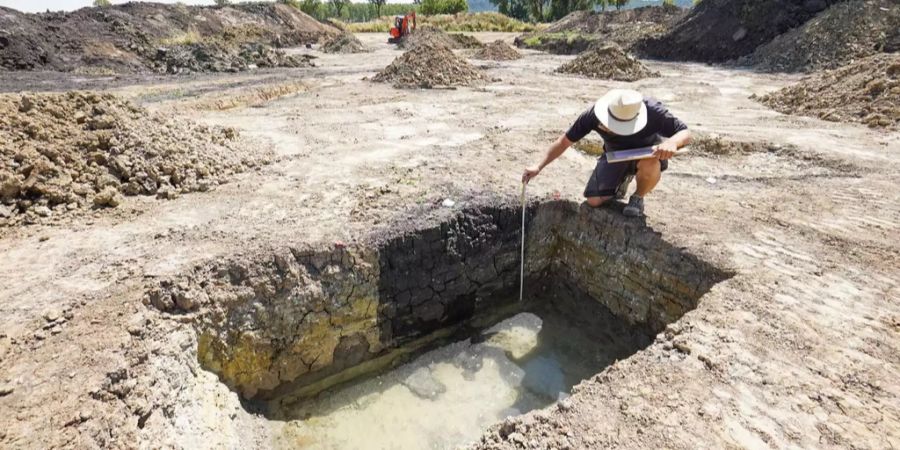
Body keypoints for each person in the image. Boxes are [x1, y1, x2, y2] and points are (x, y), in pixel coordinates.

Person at [522, 88, 691, 217]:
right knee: (594, 200)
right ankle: (621, 182)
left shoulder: (653, 111)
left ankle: (638, 197)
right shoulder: (593, 115)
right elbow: (564, 141)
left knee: (650, 164)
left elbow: (685, 131)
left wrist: (672, 142)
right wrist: (538, 166)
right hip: (615, 156)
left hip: (647, 155)